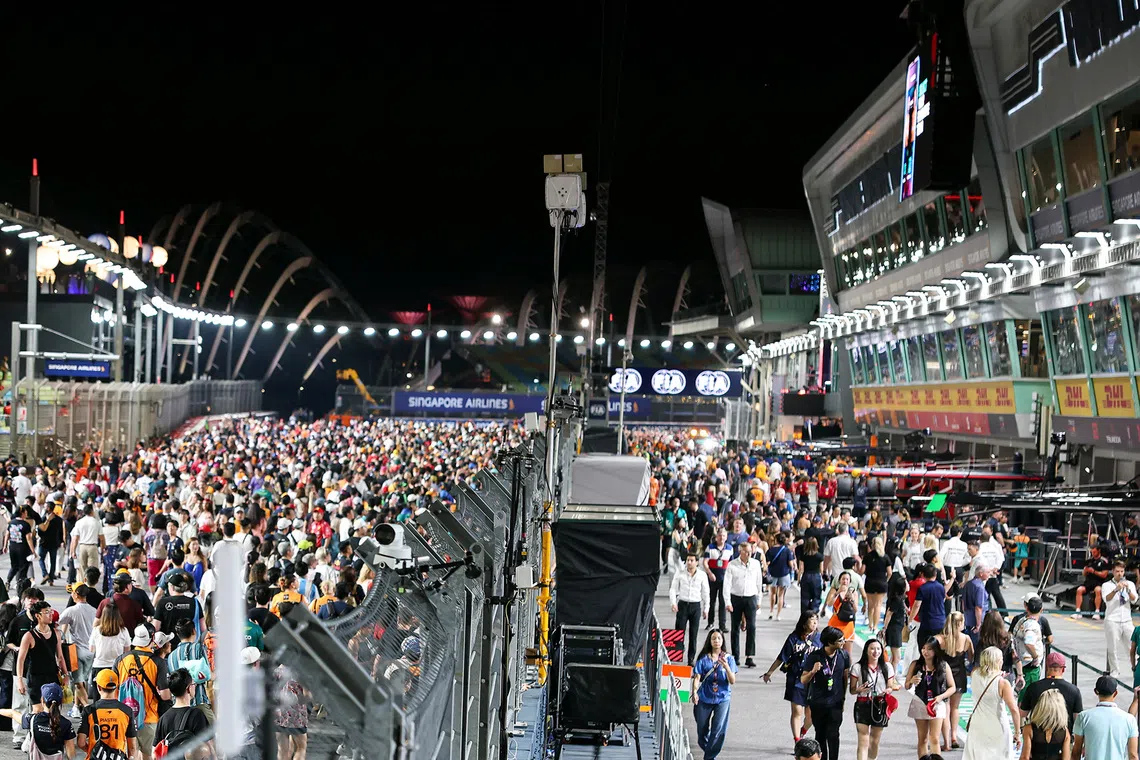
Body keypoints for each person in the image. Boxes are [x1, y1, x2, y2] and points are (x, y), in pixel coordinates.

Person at [113, 626, 172, 759]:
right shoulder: (158, 662)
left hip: (126, 718)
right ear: (152, 638)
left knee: (130, 755)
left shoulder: (120, 659)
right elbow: (165, 695)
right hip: (149, 718)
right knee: (149, 755)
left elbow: (114, 692)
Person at [763, 611, 820, 744]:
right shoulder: (793, 638)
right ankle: (798, 741)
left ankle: (803, 731)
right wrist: (769, 672)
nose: (815, 623)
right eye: (812, 620)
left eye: (816, 620)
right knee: (797, 711)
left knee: (811, 715)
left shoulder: (820, 638)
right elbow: (781, 657)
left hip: (813, 681)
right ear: (804, 622)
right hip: (796, 679)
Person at [963, 646, 1021, 760]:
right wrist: (1017, 733)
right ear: (998, 661)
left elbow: (985, 677)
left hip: (977, 725)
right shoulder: (1003, 683)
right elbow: (1014, 710)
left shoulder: (974, 674)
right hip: (997, 728)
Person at [801, 626, 850, 760]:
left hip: (836, 703)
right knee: (820, 735)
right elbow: (803, 679)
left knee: (834, 735)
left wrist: (843, 699)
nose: (843, 642)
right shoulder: (814, 657)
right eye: (840, 640)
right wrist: (813, 671)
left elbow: (845, 678)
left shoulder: (844, 655)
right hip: (818, 703)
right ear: (830, 642)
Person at [849, 637, 899, 760]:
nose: (875, 651)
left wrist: (889, 690)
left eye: (878, 649)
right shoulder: (857, 667)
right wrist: (858, 690)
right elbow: (852, 690)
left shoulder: (887, 667)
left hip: (880, 705)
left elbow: (890, 686)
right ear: (866, 650)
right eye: (872, 648)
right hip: (863, 704)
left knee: (874, 741)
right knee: (863, 740)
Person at [905, 638, 956, 759]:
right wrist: (911, 681)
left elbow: (952, 687)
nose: (925, 652)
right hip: (920, 702)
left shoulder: (943, 666)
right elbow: (906, 685)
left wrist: (941, 697)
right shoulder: (916, 664)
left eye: (929, 649)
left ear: (936, 651)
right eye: (923, 648)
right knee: (922, 739)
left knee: (935, 738)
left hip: (937, 703)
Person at [690, 629, 736, 760]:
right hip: (705, 697)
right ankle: (710, 752)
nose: (716, 641)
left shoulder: (729, 659)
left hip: (723, 698)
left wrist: (726, 667)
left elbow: (732, 681)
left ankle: (709, 757)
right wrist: (694, 692)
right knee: (701, 731)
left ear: (722, 641)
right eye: (714, 638)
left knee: (718, 730)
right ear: (710, 641)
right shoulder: (703, 659)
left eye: (719, 638)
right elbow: (697, 677)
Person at [15, 601, 69, 714]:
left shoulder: (56, 633)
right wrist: (20, 680)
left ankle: (52, 731)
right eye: (47, 612)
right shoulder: (29, 636)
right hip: (35, 678)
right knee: (38, 710)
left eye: (51, 611)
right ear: (38, 616)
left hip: (52, 676)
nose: (51, 615)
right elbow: (20, 660)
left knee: (53, 710)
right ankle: (36, 731)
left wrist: (66, 674)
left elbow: (60, 656)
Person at [1073, 675, 1138, 760]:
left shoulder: (1083, 717)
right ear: (1115, 693)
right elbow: (1133, 755)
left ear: (1096, 692)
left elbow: (1076, 752)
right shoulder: (1129, 720)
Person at [78, 669, 138, 760]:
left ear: (98, 687)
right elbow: (132, 746)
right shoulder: (127, 711)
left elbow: (81, 743)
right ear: (117, 686)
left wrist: (94, 752)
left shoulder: (89, 711)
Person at [152, 668, 211, 759]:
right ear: (188, 689)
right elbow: (206, 747)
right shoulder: (197, 715)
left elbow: (155, 752)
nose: (194, 686)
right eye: (193, 684)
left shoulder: (163, 718)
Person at [936, 611, 974, 751]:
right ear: (959, 624)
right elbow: (971, 658)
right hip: (959, 674)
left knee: (945, 708)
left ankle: (946, 741)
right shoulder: (966, 639)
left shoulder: (941, 639)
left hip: (944, 674)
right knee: (955, 707)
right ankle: (953, 736)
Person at [7, 682, 76, 759]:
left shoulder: (32, 719)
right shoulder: (66, 724)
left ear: (42, 700)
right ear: (61, 701)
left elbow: (12, 713)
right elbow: (71, 753)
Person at [1019, 653, 1083, 734]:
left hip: (1038, 737)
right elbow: (1078, 719)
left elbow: (1023, 713)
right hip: (1063, 737)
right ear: (1063, 669)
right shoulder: (1074, 690)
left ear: (1046, 667)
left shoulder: (1033, 687)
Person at [723, 542, 763, 667]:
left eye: (750, 551)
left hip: (751, 598)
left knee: (752, 627)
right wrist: (727, 602)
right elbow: (727, 585)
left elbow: (759, 582)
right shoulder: (732, 565)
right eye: (746, 551)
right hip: (736, 597)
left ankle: (749, 656)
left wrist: (759, 600)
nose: (748, 553)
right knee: (735, 628)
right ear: (740, 552)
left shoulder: (756, 564)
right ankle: (735, 656)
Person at [58, 584, 97, 713]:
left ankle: (86, 709)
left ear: (76, 595)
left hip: (77, 651)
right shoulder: (94, 610)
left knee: (78, 683)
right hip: (91, 651)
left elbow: (57, 622)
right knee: (83, 681)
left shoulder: (72, 611)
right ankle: (77, 707)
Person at [670, 554, 710, 666]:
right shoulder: (680, 573)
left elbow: (706, 593)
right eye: (688, 560)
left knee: (693, 634)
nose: (689, 562)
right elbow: (673, 589)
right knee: (679, 631)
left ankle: (691, 658)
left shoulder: (702, 575)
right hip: (682, 604)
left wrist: (706, 608)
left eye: (692, 560)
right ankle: (677, 655)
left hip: (695, 606)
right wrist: (673, 603)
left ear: (697, 562)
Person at [1101, 560, 1137, 676]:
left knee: (1132, 645)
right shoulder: (1106, 585)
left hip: (1127, 619)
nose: (1120, 574)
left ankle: (1135, 667)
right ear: (1113, 571)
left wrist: (1128, 590)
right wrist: (1116, 589)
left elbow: (1134, 599)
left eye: (1122, 571)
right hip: (1112, 619)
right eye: (1117, 571)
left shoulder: (1130, 584)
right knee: (1113, 648)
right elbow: (1107, 598)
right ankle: (1115, 670)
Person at [1019, 689, 1070, 760]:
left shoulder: (1029, 729)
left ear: (1040, 707)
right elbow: (1066, 758)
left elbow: (1025, 757)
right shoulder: (1064, 731)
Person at [1012, 596, 1044, 698]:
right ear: (1041, 610)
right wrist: (1035, 657)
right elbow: (1029, 643)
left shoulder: (1022, 620)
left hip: (1019, 663)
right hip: (1029, 666)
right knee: (1027, 697)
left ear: (1027, 607)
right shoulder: (1032, 625)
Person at [704, 528, 732, 630]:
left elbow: (731, 564)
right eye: (720, 535)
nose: (721, 538)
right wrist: (710, 573)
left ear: (726, 537)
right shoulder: (710, 547)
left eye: (724, 536)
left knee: (722, 602)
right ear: (716, 537)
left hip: (724, 579)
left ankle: (722, 625)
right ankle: (710, 622)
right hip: (712, 578)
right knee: (711, 601)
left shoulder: (729, 548)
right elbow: (705, 562)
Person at [862, 536, 890, 636]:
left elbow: (862, 570)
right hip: (881, 583)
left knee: (870, 604)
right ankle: (875, 626)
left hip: (870, 582)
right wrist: (885, 580)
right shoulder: (885, 557)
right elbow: (889, 572)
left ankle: (870, 624)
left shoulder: (867, 556)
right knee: (878, 605)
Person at [824, 571, 858, 653]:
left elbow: (855, 610)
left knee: (847, 653)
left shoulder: (854, 592)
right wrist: (837, 593)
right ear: (839, 580)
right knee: (833, 651)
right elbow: (829, 604)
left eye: (847, 579)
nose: (845, 581)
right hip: (835, 623)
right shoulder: (834, 590)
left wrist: (852, 600)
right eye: (843, 579)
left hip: (848, 625)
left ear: (850, 581)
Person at [1072, 545, 1109, 620]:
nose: (1093, 553)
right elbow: (1084, 574)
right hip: (1088, 582)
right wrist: (1085, 571)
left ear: (1099, 551)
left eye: (1094, 551)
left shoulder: (1104, 561)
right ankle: (1078, 611)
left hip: (1098, 582)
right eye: (1092, 552)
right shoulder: (1089, 561)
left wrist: (1094, 571)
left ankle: (1097, 612)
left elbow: (1104, 575)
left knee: (1098, 590)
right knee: (1079, 590)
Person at [881, 573, 909, 668]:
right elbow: (889, 614)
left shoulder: (898, 598)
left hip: (896, 628)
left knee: (894, 656)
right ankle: (892, 677)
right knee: (897, 657)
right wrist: (884, 628)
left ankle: (891, 676)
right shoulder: (896, 600)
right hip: (894, 629)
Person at [766, 533, 794, 621]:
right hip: (784, 574)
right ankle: (778, 615)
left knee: (772, 593)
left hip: (773, 574)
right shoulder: (786, 550)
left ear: (776, 540)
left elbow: (767, 562)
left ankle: (771, 611)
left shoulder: (770, 550)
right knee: (781, 595)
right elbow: (790, 564)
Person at [962, 566, 990, 649]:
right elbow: (978, 607)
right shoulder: (979, 587)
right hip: (976, 619)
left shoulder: (968, 583)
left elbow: (963, 602)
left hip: (968, 617)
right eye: (987, 572)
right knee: (975, 645)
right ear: (981, 574)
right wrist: (978, 624)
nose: (989, 574)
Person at [797, 536, 825, 615]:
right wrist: (823, 580)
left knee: (805, 598)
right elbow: (821, 570)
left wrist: (799, 579)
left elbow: (801, 569)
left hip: (806, 576)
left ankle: (805, 614)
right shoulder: (819, 556)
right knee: (816, 597)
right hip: (816, 577)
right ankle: (814, 612)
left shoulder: (804, 556)